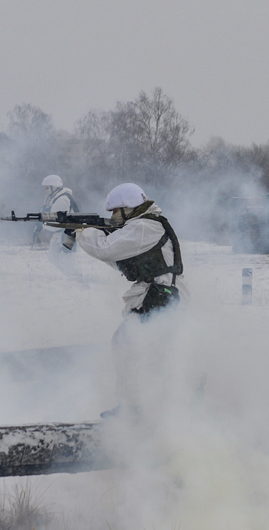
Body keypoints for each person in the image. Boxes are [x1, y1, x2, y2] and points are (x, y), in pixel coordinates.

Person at [74, 183, 188, 419]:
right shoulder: (144, 226)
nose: (113, 216)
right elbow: (120, 259)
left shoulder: (145, 227)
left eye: (115, 211)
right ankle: (177, 400)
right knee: (152, 352)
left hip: (160, 296)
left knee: (128, 344)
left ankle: (133, 410)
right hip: (162, 295)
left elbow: (105, 249)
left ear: (128, 208)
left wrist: (82, 231)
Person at [38, 175, 82, 277]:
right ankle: (69, 274)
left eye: (47, 187)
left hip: (70, 233)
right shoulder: (54, 198)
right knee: (53, 256)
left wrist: (44, 226)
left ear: (54, 187)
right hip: (61, 233)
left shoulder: (62, 199)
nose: (45, 190)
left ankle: (77, 277)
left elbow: (56, 223)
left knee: (67, 256)